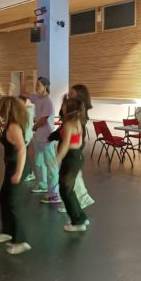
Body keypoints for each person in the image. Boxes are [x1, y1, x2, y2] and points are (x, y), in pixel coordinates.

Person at [0, 97, 31, 254]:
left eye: (0, 108)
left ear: (7, 109)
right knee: (3, 197)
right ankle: (7, 231)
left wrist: (18, 173)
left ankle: (20, 241)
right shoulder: (10, 123)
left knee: (13, 203)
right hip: (11, 166)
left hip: (17, 167)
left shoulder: (14, 127)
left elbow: (22, 149)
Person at [21, 76, 60, 204]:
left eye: (38, 85)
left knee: (51, 165)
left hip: (47, 137)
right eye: (36, 84)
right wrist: (24, 80)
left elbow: (43, 120)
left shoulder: (48, 101)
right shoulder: (37, 98)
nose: (36, 87)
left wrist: (34, 127)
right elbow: (23, 93)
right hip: (38, 136)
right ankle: (43, 185)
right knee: (39, 162)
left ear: (45, 86)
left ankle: (54, 193)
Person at [58, 84, 95, 212]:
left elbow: (77, 136)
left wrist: (60, 156)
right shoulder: (72, 113)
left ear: (80, 95)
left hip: (73, 150)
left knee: (72, 177)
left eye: (72, 93)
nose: (69, 95)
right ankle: (81, 198)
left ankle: (79, 200)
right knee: (74, 175)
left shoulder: (79, 115)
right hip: (72, 149)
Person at [56, 98, 89, 232]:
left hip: (71, 158)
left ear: (68, 108)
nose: (62, 108)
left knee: (65, 191)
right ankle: (80, 217)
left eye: (63, 106)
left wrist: (57, 160)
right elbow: (79, 142)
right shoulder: (77, 121)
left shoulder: (69, 124)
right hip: (76, 156)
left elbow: (65, 146)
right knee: (69, 190)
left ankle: (77, 223)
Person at [19, 96, 36, 182]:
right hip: (26, 135)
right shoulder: (27, 110)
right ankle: (28, 172)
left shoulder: (27, 111)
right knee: (24, 155)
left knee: (24, 155)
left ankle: (30, 173)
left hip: (26, 135)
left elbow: (27, 125)